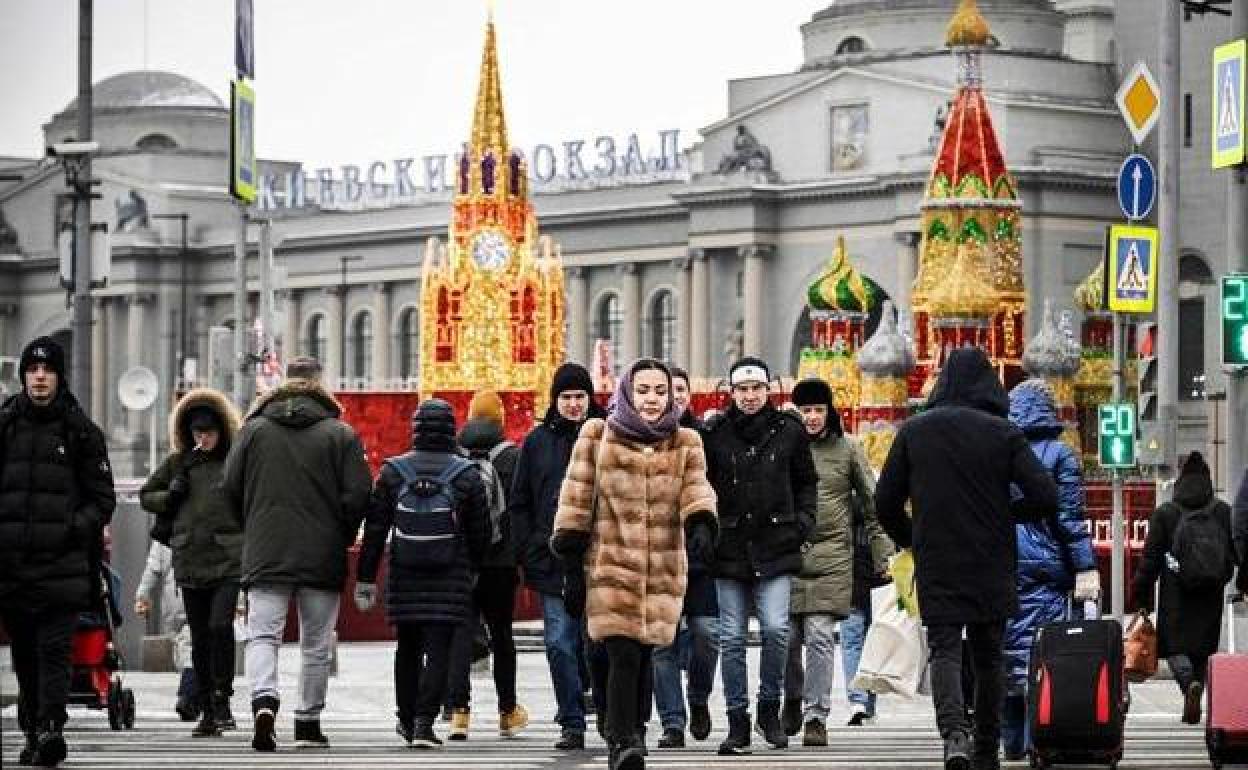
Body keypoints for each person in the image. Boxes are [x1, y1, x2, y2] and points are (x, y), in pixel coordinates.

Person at [875, 347, 1058, 770]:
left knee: (944, 649)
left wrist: (913, 538)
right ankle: (986, 747)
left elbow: (885, 502)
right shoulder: (1004, 433)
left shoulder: (914, 432)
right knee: (989, 652)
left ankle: (954, 734)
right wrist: (1008, 515)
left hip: (937, 557)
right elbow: (1046, 496)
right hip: (991, 557)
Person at [551, 358, 717, 770]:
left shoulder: (686, 442)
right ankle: (623, 741)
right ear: (627, 392)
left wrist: (700, 523)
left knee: (644, 656)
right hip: (610, 565)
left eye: (660, 392)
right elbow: (575, 501)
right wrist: (572, 567)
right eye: (643, 391)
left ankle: (632, 730)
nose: (652, 400)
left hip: (662, 568)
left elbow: (698, 489)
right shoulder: (596, 435)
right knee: (622, 652)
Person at [222, 356, 372, 752]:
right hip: (321, 552)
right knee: (317, 643)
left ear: (282, 384)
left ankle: (264, 703)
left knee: (263, 636)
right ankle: (307, 721)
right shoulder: (340, 433)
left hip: (266, 548)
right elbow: (359, 495)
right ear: (321, 385)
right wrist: (338, 532)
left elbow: (229, 487)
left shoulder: (252, 431)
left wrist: (253, 526)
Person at [0, 337, 115, 768]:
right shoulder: (6, 424)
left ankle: (51, 727)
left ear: (59, 376)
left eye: (48, 371)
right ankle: (32, 728)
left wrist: (73, 529)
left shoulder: (80, 430)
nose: (40, 378)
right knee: (25, 655)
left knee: (54, 651)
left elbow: (102, 498)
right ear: (25, 375)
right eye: (33, 370)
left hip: (62, 567)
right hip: (13, 566)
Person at [355, 399, 491, 747]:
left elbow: (375, 530)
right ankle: (424, 723)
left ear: (416, 428)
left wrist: (366, 576)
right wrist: (474, 567)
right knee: (440, 648)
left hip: (406, 572)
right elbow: (481, 531)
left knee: (408, 646)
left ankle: (405, 715)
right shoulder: (466, 474)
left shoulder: (393, 471)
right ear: (451, 427)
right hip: (451, 573)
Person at [701, 356, 818, 754]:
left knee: (776, 630)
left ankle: (770, 707)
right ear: (731, 392)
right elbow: (702, 484)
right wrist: (704, 526)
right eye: (742, 389)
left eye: (756, 388)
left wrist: (803, 521)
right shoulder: (714, 433)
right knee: (731, 637)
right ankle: (737, 720)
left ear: (769, 389)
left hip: (776, 543)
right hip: (729, 546)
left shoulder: (790, 432)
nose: (750, 396)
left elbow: (806, 482)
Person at [783, 378, 892, 747]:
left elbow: (872, 506)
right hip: (787, 556)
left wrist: (883, 554)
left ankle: (816, 715)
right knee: (785, 637)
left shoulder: (847, 450)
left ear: (829, 412)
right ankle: (793, 700)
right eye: (805, 410)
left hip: (832, 556)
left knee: (818, 636)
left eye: (818, 410)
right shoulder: (782, 446)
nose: (812, 417)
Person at [1000, 379, 1098, 759]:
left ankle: (1010, 740)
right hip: (1049, 565)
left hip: (1006, 561)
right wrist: (1084, 567)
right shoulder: (1061, 455)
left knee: (1009, 647)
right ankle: (1036, 734)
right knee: (1043, 650)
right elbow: (1070, 518)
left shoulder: (1000, 450)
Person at [510, 362, 606, 750]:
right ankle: (571, 721)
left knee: (597, 643)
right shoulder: (536, 442)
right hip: (552, 561)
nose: (572, 405)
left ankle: (604, 707)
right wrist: (528, 547)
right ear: (555, 401)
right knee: (559, 643)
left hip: (600, 558)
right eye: (565, 397)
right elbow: (520, 502)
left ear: (589, 399)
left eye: (579, 397)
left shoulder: (608, 436)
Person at [141, 387, 244, 737]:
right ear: (189, 433)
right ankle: (207, 706)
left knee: (219, 626)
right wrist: (171, 494)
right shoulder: (177, 464)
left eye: (210, 431)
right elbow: (147, 497)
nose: (204, 438)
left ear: (222, 430)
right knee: (199, 636)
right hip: (190, 560)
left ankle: (222, 696)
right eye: (198, 432)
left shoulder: (234, 463)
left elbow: (252, 500)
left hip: (228, 560)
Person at [443, 389, 529, 739]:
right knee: (503, 637)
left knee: (461, 635)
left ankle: (459, 712)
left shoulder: (454, 457)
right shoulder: (513, 457)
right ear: (500, 419)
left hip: (462, 561)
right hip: (501, 563)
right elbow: (521, 511)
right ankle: (507, 710)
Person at [1134, 451, 1236, 725]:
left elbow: (1150, 561)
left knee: (1174, 648)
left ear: (1180, 480)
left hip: (1175, 595)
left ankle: (1188, 683)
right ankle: (1196, 689)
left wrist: (1140, 596)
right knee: (1202, 649)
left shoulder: (1166, 513)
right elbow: (1236, 550)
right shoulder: (1222, 512)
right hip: (1210, 594)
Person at [651, 366, 720, 748]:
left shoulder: (706, 438)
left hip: (700, 557)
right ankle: (672, 722)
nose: (673, 396)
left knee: (707, 634)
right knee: (663, 642)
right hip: (660, 556)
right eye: (666, 390)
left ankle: (698, 697)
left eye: (679, 389)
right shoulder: (644, 439)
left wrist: (709, 531)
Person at [133, 541, 197, 723]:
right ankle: (191, 694)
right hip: (197, 588)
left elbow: (153, 568)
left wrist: (142, 595)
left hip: (174, 594)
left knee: (185, 645)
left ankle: (191, 692)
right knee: (193, 646)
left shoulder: (165, 528)